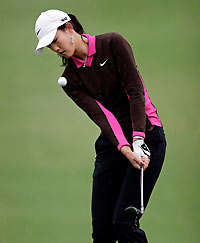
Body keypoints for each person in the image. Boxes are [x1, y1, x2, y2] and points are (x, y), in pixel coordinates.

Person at [34, 9, 166, 243]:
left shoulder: (113, 43)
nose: (55, 49)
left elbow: (136, 92)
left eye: (55, 40)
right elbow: (102, 116)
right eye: (50, 47)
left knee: (123, 224)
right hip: (113, 144)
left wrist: (137, 140)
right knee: (102, 232)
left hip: (147, 135)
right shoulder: (70, 80)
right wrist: (125, 148)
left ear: (69, 28)